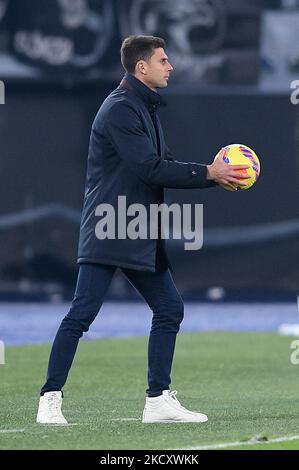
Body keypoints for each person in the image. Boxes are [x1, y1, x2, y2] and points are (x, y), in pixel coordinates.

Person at [36, 35, 249, 424]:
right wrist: (210, 172)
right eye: (164, 60)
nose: (170, 66)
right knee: (82, 313)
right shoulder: (119, 109)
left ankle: (157, 400)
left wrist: (213, 176)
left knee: (169, 308)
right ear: (142, 67)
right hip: (109, 225)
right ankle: (49, 398)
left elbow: (163, 163)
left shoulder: (144, 107)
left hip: (139, 228)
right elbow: (149, 168)